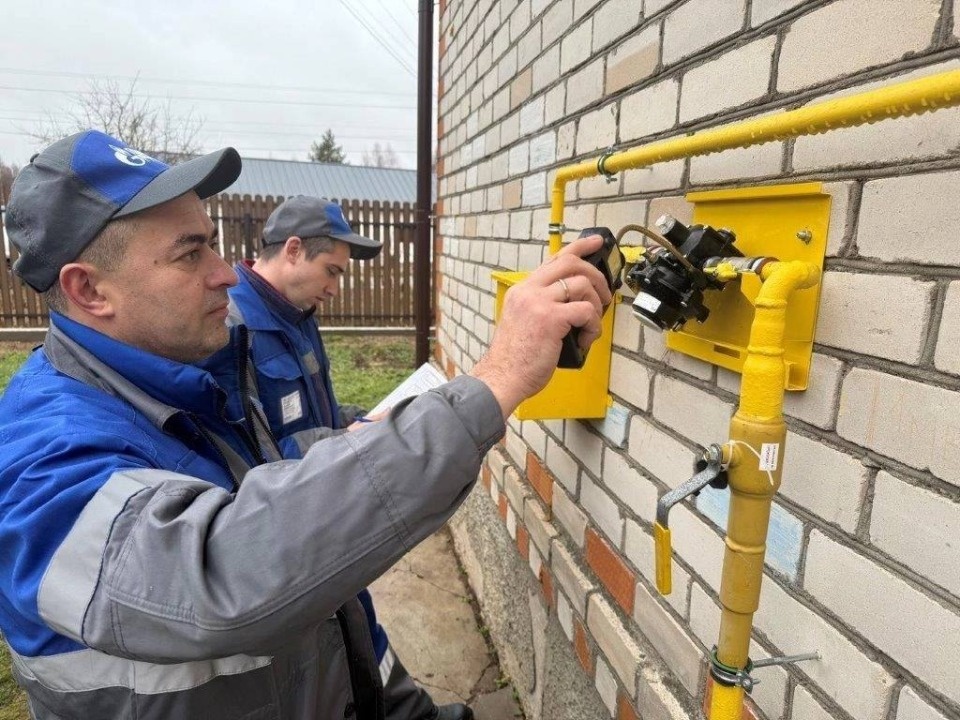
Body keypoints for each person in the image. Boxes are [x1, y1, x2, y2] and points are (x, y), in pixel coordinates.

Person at [0, 130, 611, 720]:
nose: (227, 273)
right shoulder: (41, 455)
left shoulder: (184, 375)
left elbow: (292, 522)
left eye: (212, 244)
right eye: (191, 253)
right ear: (89, 289)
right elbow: (225, 572)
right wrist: (497, 380)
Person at [225, 195, 465, 719]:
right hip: (286, 521)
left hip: (321, 503)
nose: (335, 287)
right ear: (292, 250)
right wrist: (355, 439)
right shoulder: (231, 326)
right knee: (327, 642)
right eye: (330, 270)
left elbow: (319, 413)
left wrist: (368, 416)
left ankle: (402, 710)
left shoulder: (296, 314)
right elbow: (251, 457)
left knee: (355, 620)